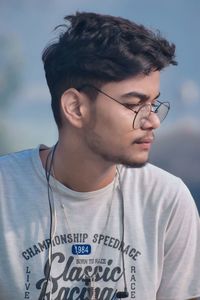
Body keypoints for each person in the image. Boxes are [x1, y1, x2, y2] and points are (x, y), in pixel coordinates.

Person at [0, 11, 200, 300]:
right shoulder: (6, 192)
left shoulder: (166, 200)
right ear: (76, 108)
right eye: (134, 104)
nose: (153, 121)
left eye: (154, 104)